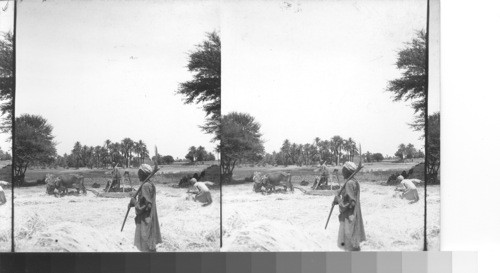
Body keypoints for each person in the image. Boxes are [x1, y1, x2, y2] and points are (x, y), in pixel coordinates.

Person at [128, 164, 162, 252]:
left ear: (143, 173)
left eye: (139, 172)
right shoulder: (150, 184)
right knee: (149, 245)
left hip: (145, 219)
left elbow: (148, 205)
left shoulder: (145, 186)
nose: (138, 174)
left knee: (145, 244)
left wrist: (135, 203)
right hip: (150, 217)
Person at [334, 161, 366, 251]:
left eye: (343, 170)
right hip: (355, 214)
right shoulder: (355, 182)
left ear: (347, 171)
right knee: (353, 242)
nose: (342, 172)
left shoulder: (349, 183)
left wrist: (339, 200)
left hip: (349, 216)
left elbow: (351, 203)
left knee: (348, 241)